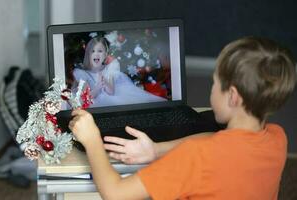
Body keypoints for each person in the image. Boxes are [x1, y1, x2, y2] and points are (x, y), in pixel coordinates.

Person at [69, 36, 296, 199]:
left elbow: (115, 193)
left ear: (233, 96)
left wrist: (92, 140)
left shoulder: (195, 158)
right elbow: (217, 139)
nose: (212, 89)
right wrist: (156, 150)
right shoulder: (277, 139)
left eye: (215, 83)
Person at [73, 36, 166, 107]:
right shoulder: (82, 73)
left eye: (100, 51)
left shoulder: (107, 70)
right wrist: (97, 87)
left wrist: (105, 82)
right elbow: (85, 98)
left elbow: (111, 91)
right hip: (94, 101)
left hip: (110, 97)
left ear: (105, 54)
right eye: (93, 51)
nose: (96, 54)